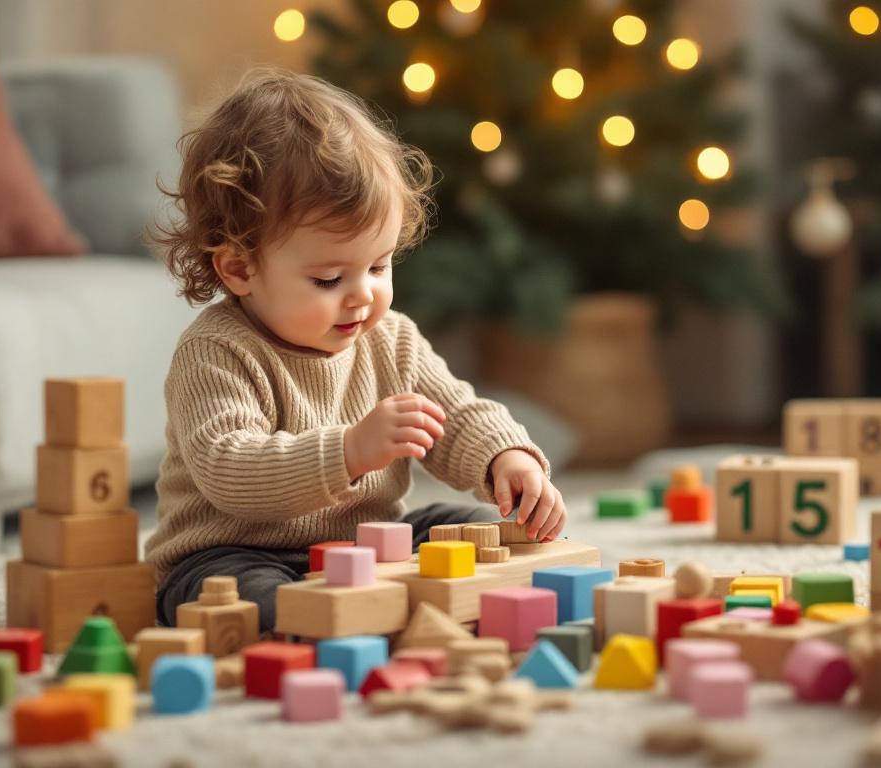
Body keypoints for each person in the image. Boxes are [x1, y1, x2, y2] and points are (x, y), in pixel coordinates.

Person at [144, 66, 567, 633]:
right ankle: (337, 625)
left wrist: (504, 458)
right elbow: (229, 470)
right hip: (235, 553)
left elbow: (457, 416)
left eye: (378, 265)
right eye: (328, 280)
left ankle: (393, 616)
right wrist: (349, 450)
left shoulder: (389, 338)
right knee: (255, 605)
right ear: (239, 267)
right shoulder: (215, 351)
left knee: (483, 536)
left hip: (370, 545)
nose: (363, 296)